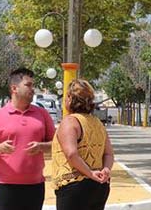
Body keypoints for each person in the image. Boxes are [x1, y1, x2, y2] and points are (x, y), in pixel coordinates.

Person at [0, 68, 56, 210]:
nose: (32, 89)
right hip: (5, 185)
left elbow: (56, 144)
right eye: (28, 85)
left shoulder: (42, 114)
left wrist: (40, 146)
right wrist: (0, 147)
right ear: (14, 88)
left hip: (35, 185)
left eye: (33, 85)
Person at [51, 79, 114, 210]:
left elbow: (71, 153)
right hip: (99, 186)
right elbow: (108, 153)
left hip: (74, 186)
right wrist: (106, 170)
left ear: (69, 98)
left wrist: (90, 173)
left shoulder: (70, 122)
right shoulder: (97, 123)